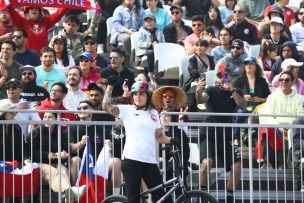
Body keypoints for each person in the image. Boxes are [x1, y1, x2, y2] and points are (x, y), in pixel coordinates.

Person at [102, 81, 176, 203]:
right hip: (131, 159)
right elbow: (105, 106)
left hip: (149, 161)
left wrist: (172, 140)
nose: (137, 97)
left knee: (163, 198)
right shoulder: (127, 110)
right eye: (135, 94)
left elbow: (158, 136)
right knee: (133, 197)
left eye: (141, 94)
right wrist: (110, 85)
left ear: (148, 95)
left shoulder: (153, 113)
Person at [195, 65, 245, 202]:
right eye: (219, 75)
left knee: (237, 166)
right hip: (209, 133)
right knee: (207, 163)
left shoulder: (236, 91)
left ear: (230, 77)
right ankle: (202, 196)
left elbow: (243, 105)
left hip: (227, 135)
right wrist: (198, 91)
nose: (222, 78)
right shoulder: (211, 89)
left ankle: (230, 197)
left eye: (225, 75)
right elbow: (201, 99)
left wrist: (233, 91)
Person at [26, 111, 86, 201]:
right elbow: (29, 151)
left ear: (56, 119)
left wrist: (64, 153)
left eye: (50, 117)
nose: (47, 119)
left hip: (57, 162)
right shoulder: (36, 132)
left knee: (63, 172)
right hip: (40, 163)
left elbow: (66, 148)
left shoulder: (61, 133)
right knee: (52, 172)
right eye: (45, 117)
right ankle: (71, 191)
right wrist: (46, 155)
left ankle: (68, 194)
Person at [68, 100, 122, 195]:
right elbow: (71, 148)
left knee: (116, 161)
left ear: (92, 110)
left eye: (85, 108)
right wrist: (81, 143)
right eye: (79, 109)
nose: (81, 110)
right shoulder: (73, 126)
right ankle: (75, 194)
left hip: (98, 164)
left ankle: (116, 198)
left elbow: (110, 145)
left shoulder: (100, 126)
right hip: (83, 166)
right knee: (75, 160)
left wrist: (109, 144)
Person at [257, 71, 304, 169]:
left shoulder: (300, 99)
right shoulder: (271, 97)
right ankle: (267, 163)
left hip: (292, 128)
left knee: (292, 133)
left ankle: (284, 164)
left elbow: (301, 116)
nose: (283, 82)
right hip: (276, 127)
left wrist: (289, 127)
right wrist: (279, 127)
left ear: (292, 82)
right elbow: (268, 116)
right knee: (266, 129)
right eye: (281, 80)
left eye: (287, 80)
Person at [151, 86, 190, 185]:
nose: (168, 98)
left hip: (176, 166)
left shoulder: (180, 134)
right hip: (157, 165)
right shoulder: (155, 132)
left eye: (171, 96)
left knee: (176, 168)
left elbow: (185, 155)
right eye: (165, 95)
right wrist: (162, 160)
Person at [232, 57, 271, 145]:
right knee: (241, 113)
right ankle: (236, 137)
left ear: (256, 67)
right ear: (244, 66)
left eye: (252, 64)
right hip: (244, 106)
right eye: (247, 64)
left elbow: (269, 97)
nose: (249, 66)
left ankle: (260, 139)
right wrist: (243, 97)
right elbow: (232, 95)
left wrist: (261, 99)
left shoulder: (262, 81)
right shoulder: (238, 80)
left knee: (262, 114)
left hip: (259, 107)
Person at [137, 14, 165, 79]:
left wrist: (159, 45)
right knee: (150, 52)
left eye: (151, 21)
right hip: (145, 51)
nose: (149, 23)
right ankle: (150, 73)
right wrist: (150, 44)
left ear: (155, 22)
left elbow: (164, 43)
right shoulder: (142, 31)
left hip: (158, 51)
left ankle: (161, 72)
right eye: (147, 21)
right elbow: (139, 44)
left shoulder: (159, 31)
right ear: (144, 23)